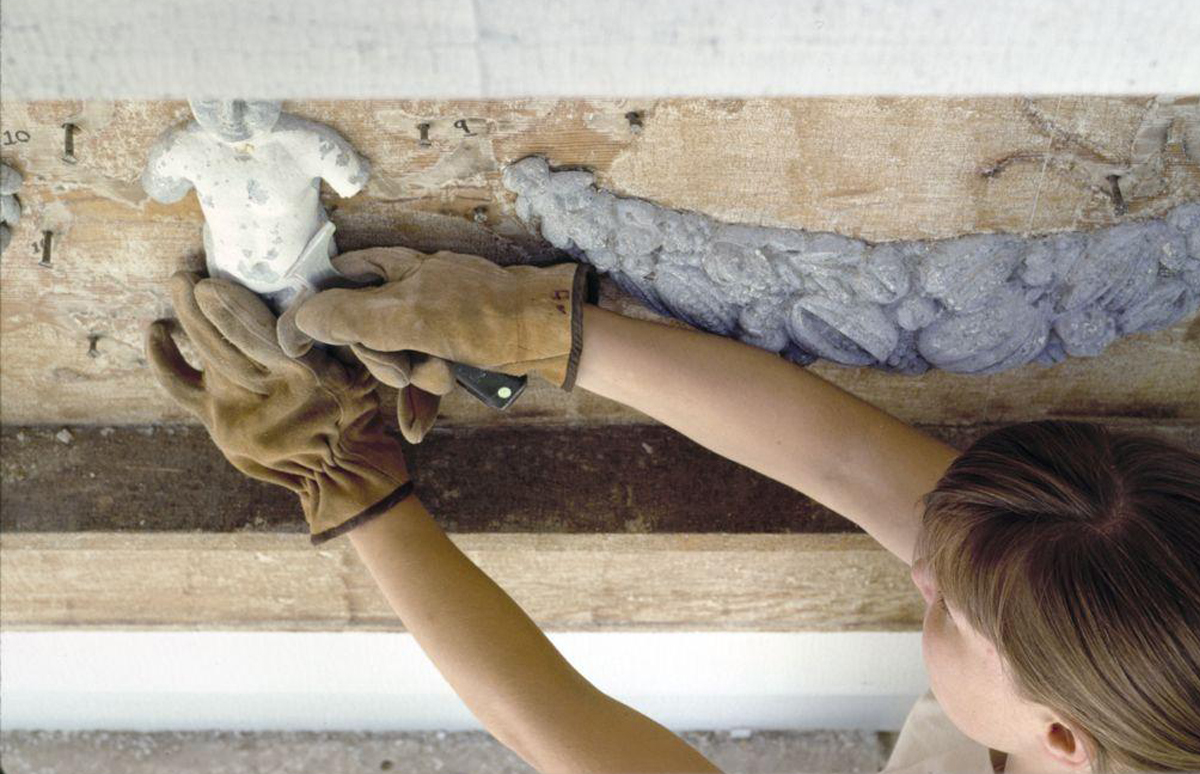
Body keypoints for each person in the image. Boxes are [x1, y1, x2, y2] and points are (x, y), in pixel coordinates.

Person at [146, 247, 1200, 773]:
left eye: (949, 609)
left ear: (1062, 736)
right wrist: (532, 331)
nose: (919, 570)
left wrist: (346, 477)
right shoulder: (1138, 596)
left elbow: (565, 730)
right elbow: (843, 459)